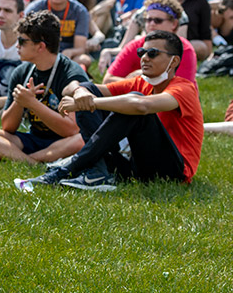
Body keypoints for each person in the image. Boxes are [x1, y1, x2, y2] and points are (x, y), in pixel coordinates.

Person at [24, 31, 203, 191]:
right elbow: (75, 87)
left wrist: (92, 103)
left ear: (174, 61)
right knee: (89, 90)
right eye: (141, 52)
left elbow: (141, 106)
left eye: (153, 53)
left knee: (134, 105)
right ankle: (97, 171)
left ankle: (70, 167)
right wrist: (80, 93)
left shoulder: (184, 88)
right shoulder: (142, 82)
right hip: (137, 166)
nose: (144, 58)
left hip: (174, 172)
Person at [0, 11, 88, 164]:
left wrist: (32, 104)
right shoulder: (21, 73)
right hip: (33, 139)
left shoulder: (71, 74)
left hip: (64, 142)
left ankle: (26, 160)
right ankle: (34, 162)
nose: (17, 45)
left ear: (40, 46)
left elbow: (71, 130)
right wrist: (19, 102)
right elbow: (8, 127)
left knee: (80, 140)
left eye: (22, 41)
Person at [103, 0, 197, 84]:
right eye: (148, 20)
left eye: (158, 20)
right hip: (137, 98)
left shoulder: (184, 49)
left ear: (174, 24)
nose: (152, 24)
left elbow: (181, 90)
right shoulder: (135, 46)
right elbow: (107, 81)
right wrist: (138, 80)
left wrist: (145, 79)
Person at [24, 0, 92, 68]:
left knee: (84, 59)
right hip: (41, 53)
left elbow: (80, 48)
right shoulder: (35, 9)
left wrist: (70, 51)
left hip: (67, 56)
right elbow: (26, 41)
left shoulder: (80, 11)